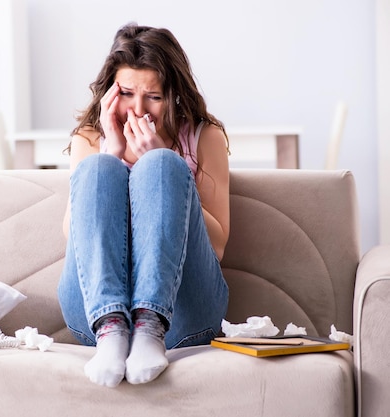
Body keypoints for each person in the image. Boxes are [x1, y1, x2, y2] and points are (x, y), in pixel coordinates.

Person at [57, 23, 231, 388]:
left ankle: (150, 323)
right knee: (99, 166)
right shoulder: (89, 138)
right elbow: (72, 239)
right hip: (92, 316)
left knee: (162, 164)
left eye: (153, 96)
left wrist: (164, 163)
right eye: (126, 93)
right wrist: (113, 155)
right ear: (109, 92)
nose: (139, 110)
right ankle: (112, 327)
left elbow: (216, 247)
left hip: (184, 314)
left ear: (174, 95)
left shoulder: (204, 137)